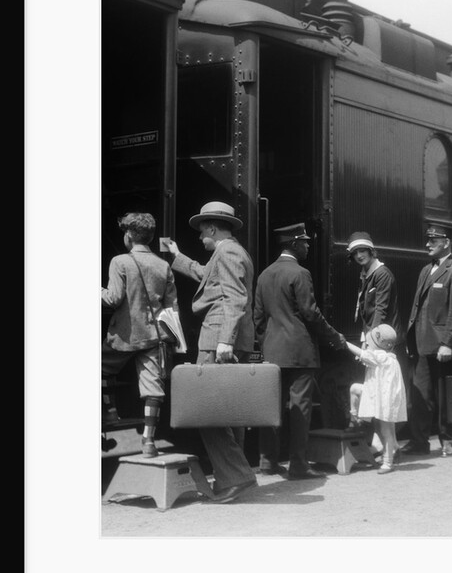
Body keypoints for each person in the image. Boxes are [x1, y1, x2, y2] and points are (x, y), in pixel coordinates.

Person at [166, 201, 257, 504]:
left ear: (213, 228)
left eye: (202, 231)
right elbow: (207, 275)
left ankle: (237, 477)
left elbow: (235, 296)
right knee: (228, 412)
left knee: (207, 411)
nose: (199, 236)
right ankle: (234, 476)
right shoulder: (228, 251)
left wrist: (225, 341)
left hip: (219, 336)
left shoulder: (228, 252)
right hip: (224, 335)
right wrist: (178, 256)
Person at [254, 223, 347, 480]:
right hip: (300, 353)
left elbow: (258, 318)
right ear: (293, 244)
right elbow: (310, 313)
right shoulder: (300, 273)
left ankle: (266, 461)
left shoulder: (264, 275)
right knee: (300, 408)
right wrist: (333, 336)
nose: (307, 246)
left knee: (271, 407)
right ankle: (298, 465)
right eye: (304, 242)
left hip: (272, 352)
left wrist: (268, 345)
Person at [101, 212, 178, 457]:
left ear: (129, 236)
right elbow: (172, 307)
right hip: (155, 336)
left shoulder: (119, 262)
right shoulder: (163, 265)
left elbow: (112, 299)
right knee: (153, 389)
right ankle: (148, 442)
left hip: (124, 336)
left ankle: (109, 411)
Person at [404, 222, 452, 458]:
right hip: (421, 342)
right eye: (428, 240)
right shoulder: (426, 270)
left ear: (446, 243)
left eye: (433, 240)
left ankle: (447, 440)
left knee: (443, 395)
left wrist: (448, 342)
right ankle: (419, 441)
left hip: (441, 344)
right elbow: (416, 307)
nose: (427, 244)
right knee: (420, 395)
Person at [345, 230, 406, 455]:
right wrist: (365, 340)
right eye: (355, 253)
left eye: (362, 251)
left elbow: (380, 310)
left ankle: (386, 444)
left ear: (371, 251)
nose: (359, 255)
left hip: (384, 344)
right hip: (373, 340)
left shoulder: (382, 274)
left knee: (383, 394)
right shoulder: (366, 274)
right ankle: (388, 444)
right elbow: (365, 314)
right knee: (375, 392)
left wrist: (371, 343)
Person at [347, 324, 408, 474]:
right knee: (354, 388)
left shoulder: (381, 358)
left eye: (370, 343)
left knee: (385, 430)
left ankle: (388, 462)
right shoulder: (389, 357)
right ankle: (355, 417)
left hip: (385, 400)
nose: (368, 345)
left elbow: (363, 354)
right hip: (377, 395)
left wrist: (344, 343)